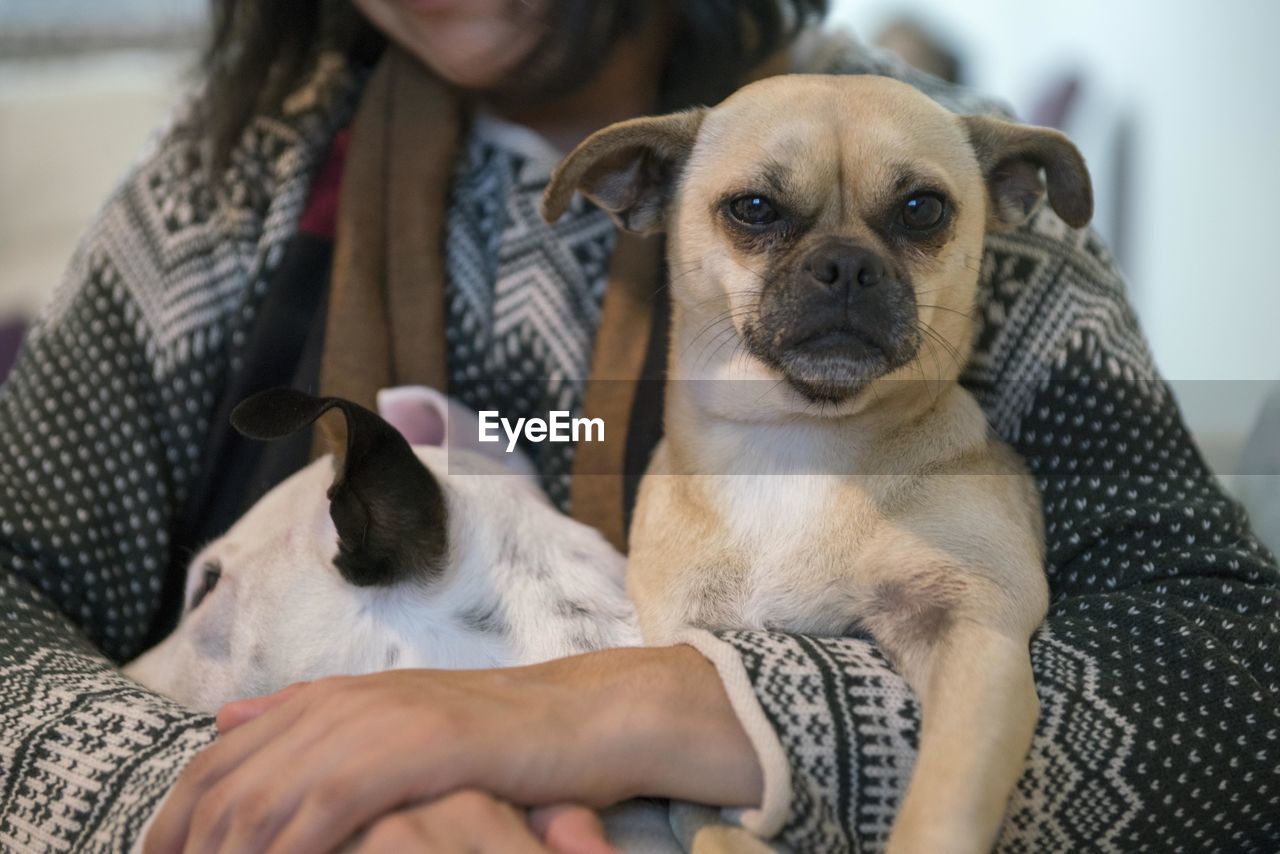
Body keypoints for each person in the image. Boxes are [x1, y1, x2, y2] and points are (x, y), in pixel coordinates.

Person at [1, 1, 1277, 851]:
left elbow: (1231, 693)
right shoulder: (224, 189)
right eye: (757, 216)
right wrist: (254, 797)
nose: (845, 257)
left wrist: (676, 708)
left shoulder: (944, 186)